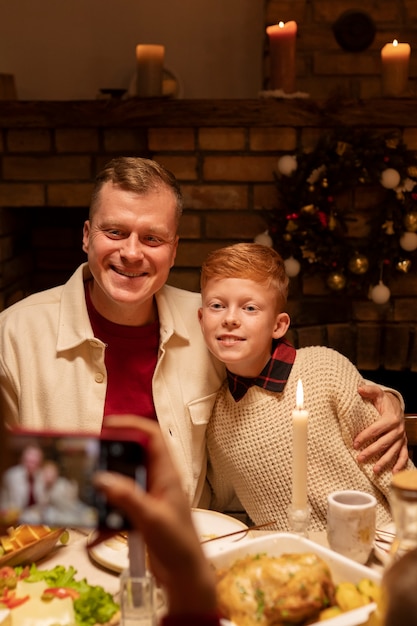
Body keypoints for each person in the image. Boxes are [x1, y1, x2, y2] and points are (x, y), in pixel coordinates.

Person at [0, 157, 407, 510]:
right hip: (64, 552)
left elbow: (291, 375)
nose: (131, 252)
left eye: (152, 238)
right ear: (87, 235)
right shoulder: (15, 334)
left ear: (174, 250)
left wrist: (384, 401)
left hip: (192, 542)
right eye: (115, 232)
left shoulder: (211, 321)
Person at [198, 243, 415, 532]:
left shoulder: (324, 370)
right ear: (201, 319)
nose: (230, 318)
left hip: (377, 548)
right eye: (217, 305)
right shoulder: (217, 419)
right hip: (290, 563)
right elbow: (215, 499)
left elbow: (392, 468)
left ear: (278, 325)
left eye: (250, 307)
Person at [0, 443, 44, 511]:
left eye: (36, 456)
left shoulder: (41, 475)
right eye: (30, 455)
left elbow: (42, 502)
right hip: (14, 516)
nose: (33, 458)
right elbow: (11, 502)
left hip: (36, 517)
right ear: (23, 458)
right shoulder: (12, 475)